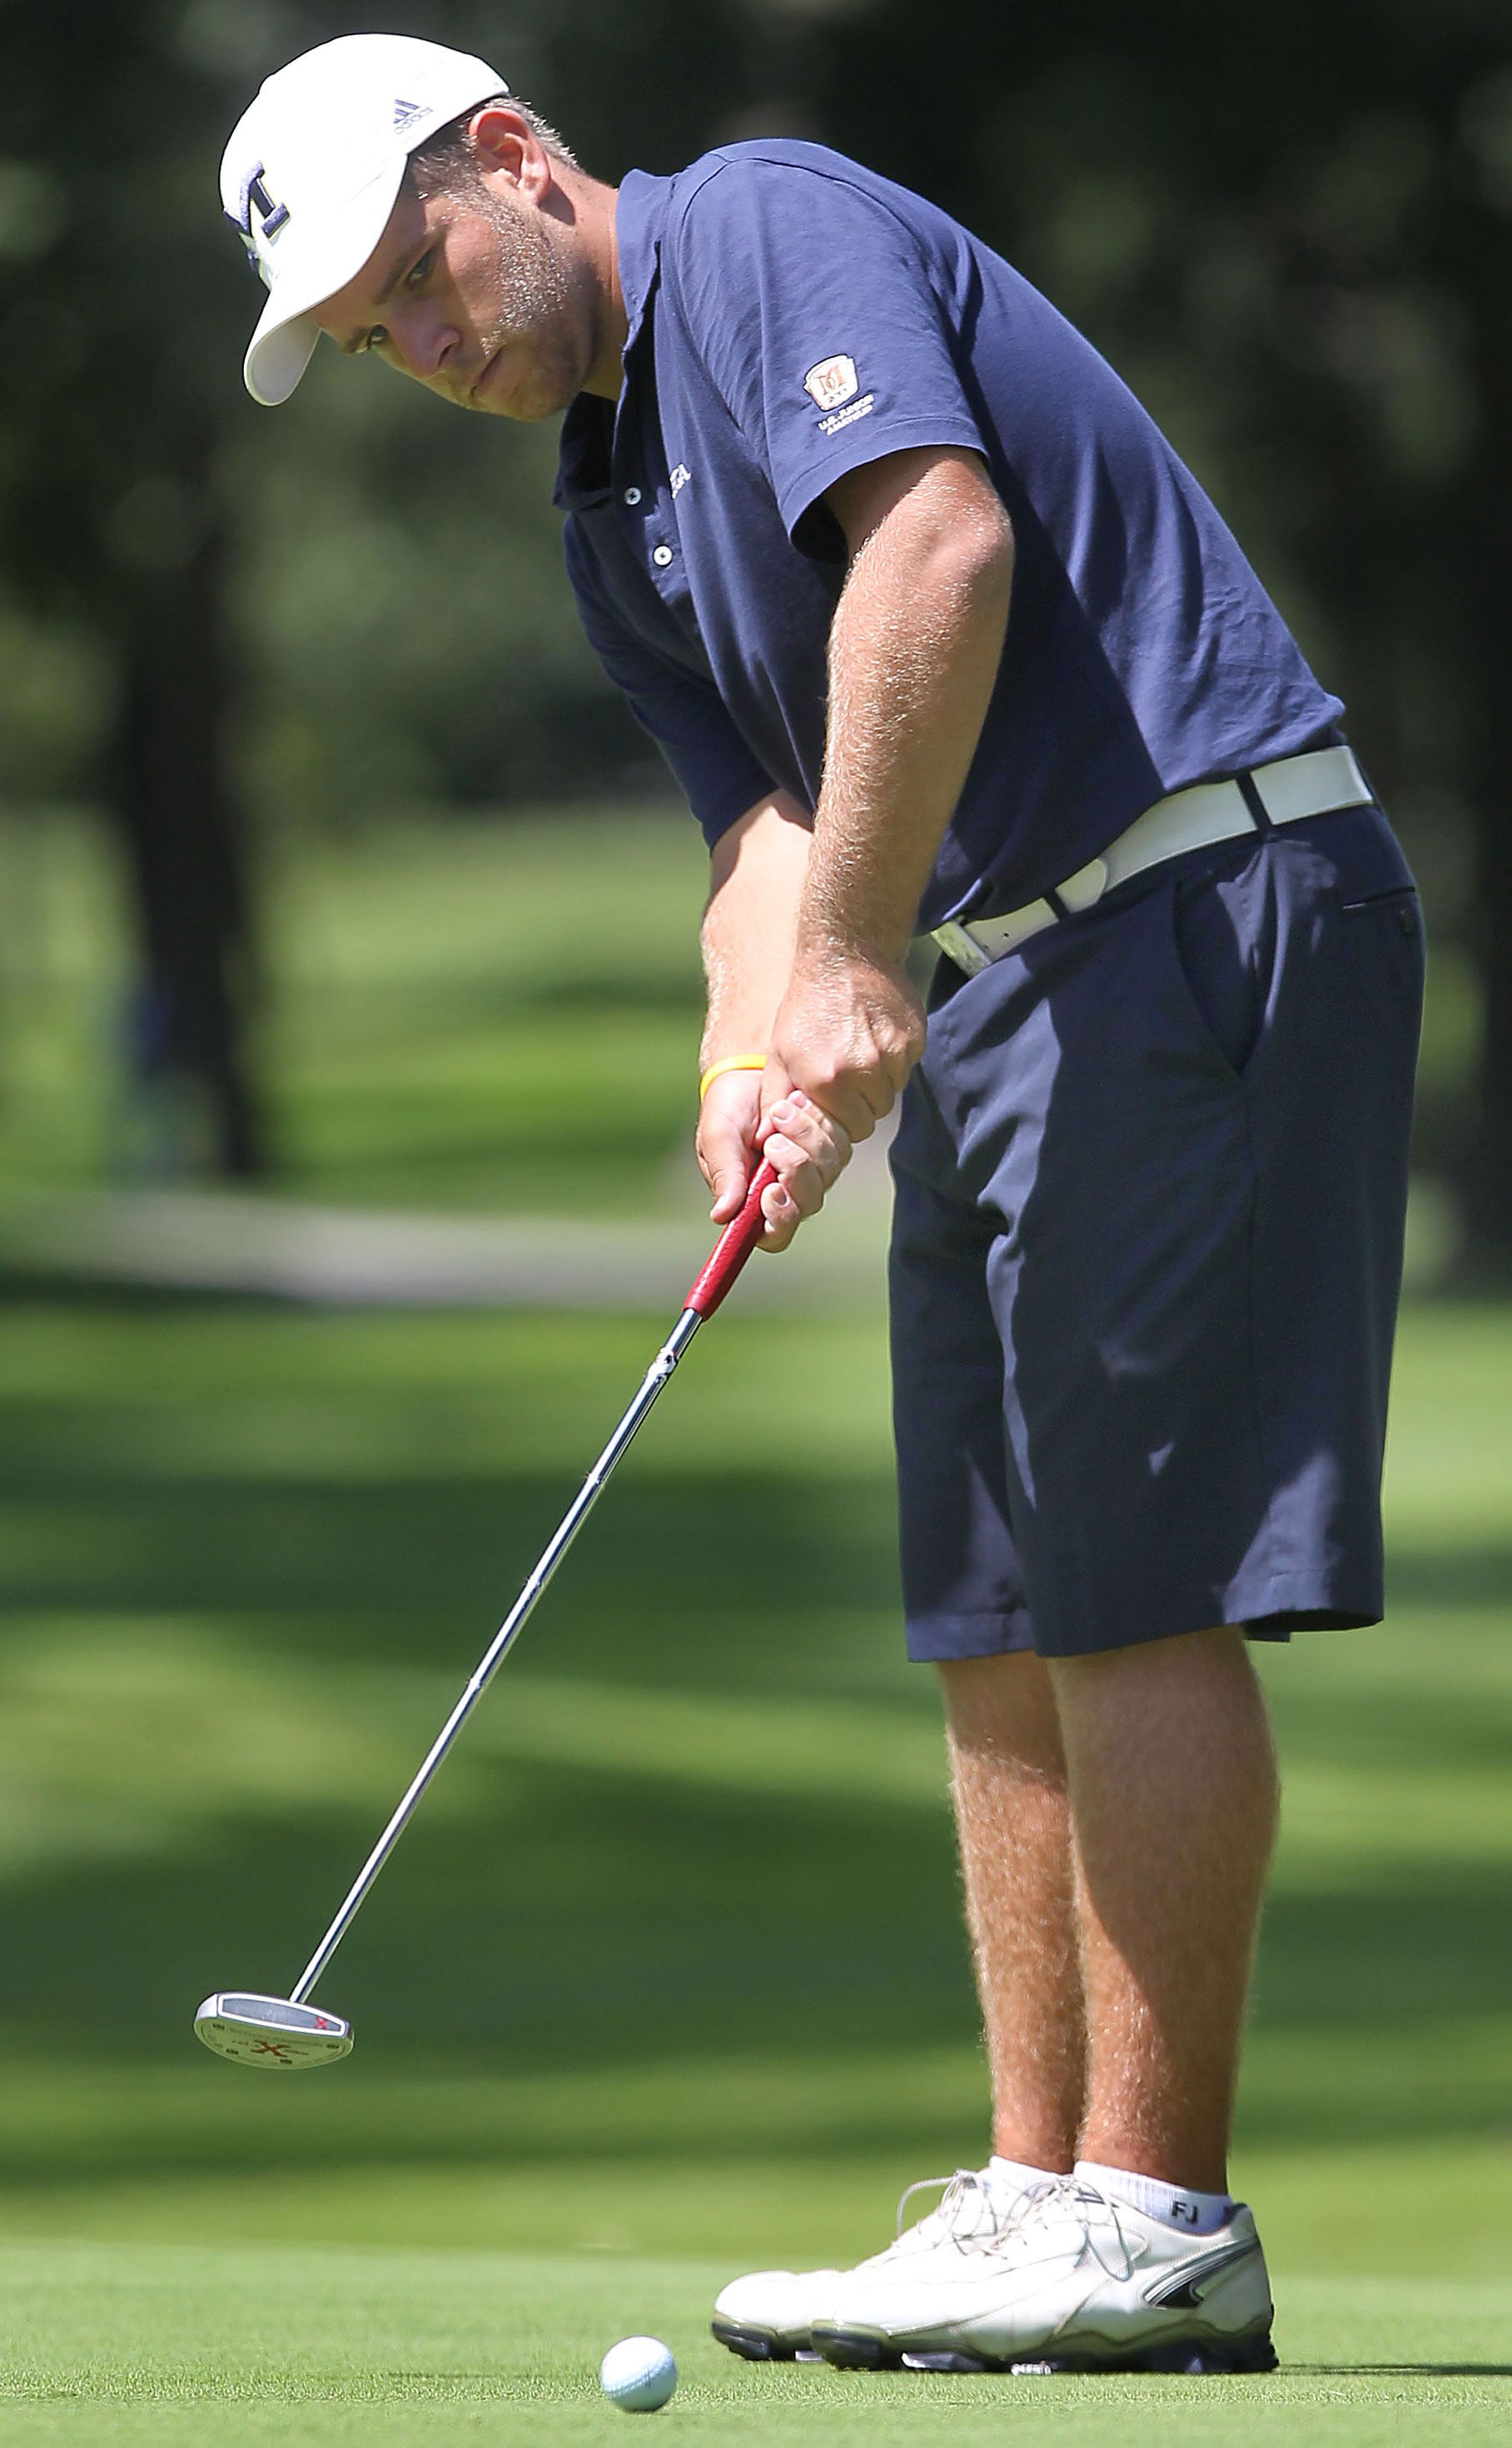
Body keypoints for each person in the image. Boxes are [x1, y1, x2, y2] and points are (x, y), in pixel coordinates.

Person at [218, 33, 1424, 2376]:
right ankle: (1034, 2187)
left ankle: (1159, 2214)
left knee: (1122, 1569)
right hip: (1005, 971)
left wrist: (858, 955)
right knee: (989, 1587)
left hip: (1196, 898)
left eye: (419, 277)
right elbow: (762, 841)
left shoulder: (761, 227)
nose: (429, 346)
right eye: (380, 342)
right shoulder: (604, 497)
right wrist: (751, 1053)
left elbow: (939, 548)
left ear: (514, 160)